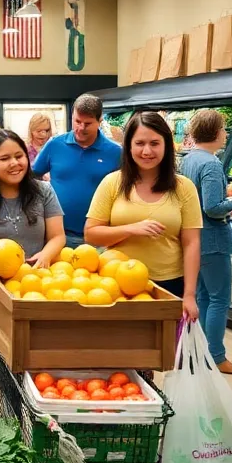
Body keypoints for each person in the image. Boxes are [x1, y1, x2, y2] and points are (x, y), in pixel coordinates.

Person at [0, 129, 65, 396]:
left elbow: (57, 236)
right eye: (5, 158)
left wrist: (46, 255)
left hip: (34, 286)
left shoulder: (44, 192)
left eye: (19, 156)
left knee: (30, 346)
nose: (14, 163)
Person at [84, 111, 200, 321]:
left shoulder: (184, 188)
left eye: (155, 143)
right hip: (116, 285)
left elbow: (192, 243)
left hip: (169, 285)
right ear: (129, 146)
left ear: (167, 145)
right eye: (140, 143)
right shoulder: (112, 183)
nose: (147, 151)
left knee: (168, 351)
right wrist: (131, 229)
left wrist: (189, 294)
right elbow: (91, 234)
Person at [179, 109, 232, 375]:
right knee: (219, 299)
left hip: (192, 239)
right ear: (216, 133)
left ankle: (200, 352)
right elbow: (213, 207)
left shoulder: (188, 160)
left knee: (203, 296)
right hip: (212, 239)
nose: (226, 134)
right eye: (224, 129)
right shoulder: (212, 164)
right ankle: (217, 356)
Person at [31, 94, 122, 247]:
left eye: (87, 123)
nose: (80, 128)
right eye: (77, 121)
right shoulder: (55, 145)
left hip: (99, 238)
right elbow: (32, 175)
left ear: (100, 121)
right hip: (57, 235)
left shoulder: (116, 152)